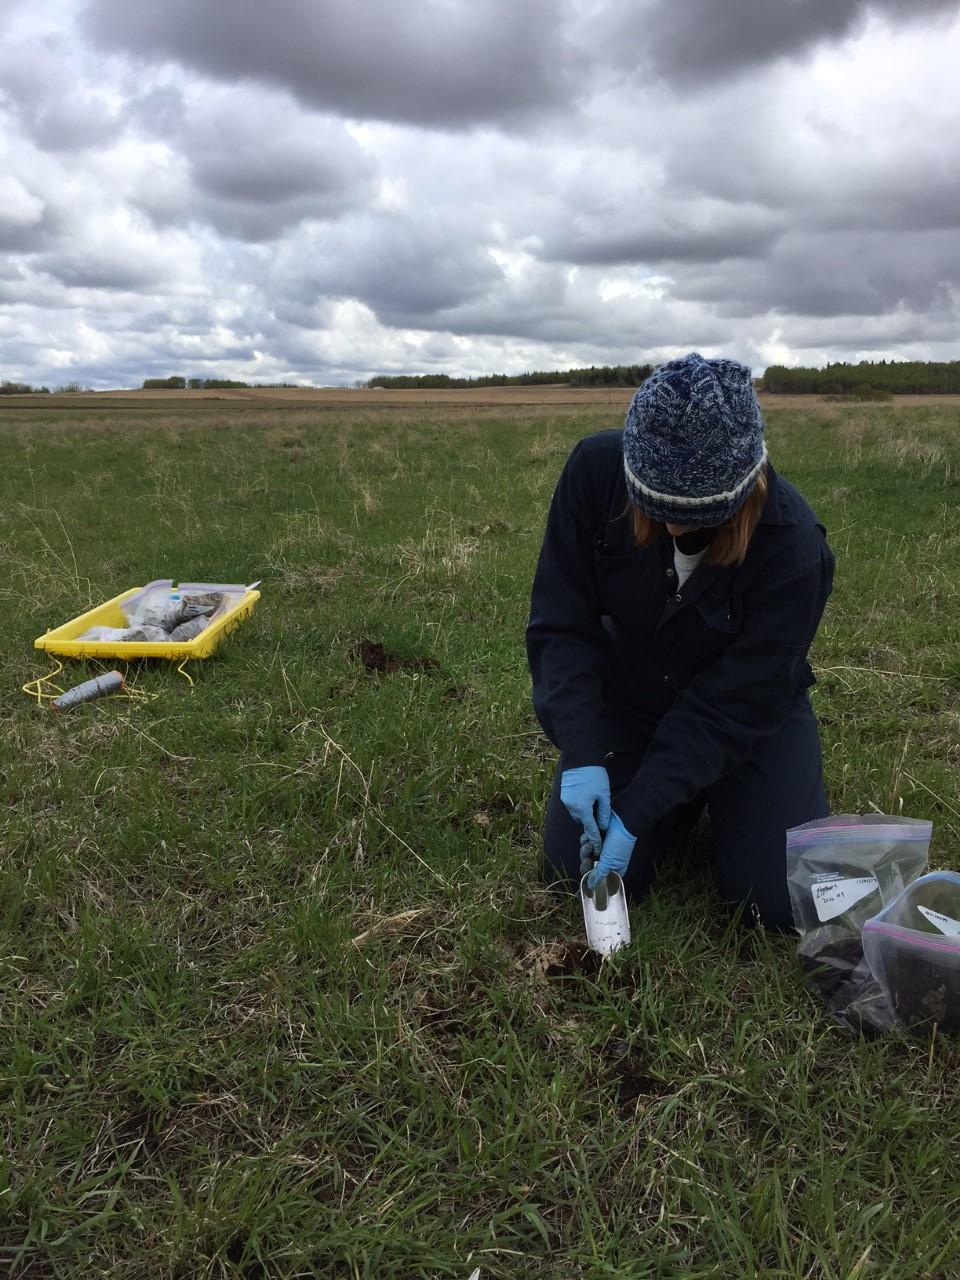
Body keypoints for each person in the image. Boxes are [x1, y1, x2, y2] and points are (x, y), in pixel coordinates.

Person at [525, 352, 835, 929]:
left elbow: (739, 701)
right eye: (654, 508)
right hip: (636, 697)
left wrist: (640, 807)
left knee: (772, 902)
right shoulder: (595, 474)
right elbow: (560, 623)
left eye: (694, 519)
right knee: (572, 870)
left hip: (743, 719)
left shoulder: (794, 550)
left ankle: (713, 795)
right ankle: (679, 796)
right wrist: (582, 748)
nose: (670, 530)